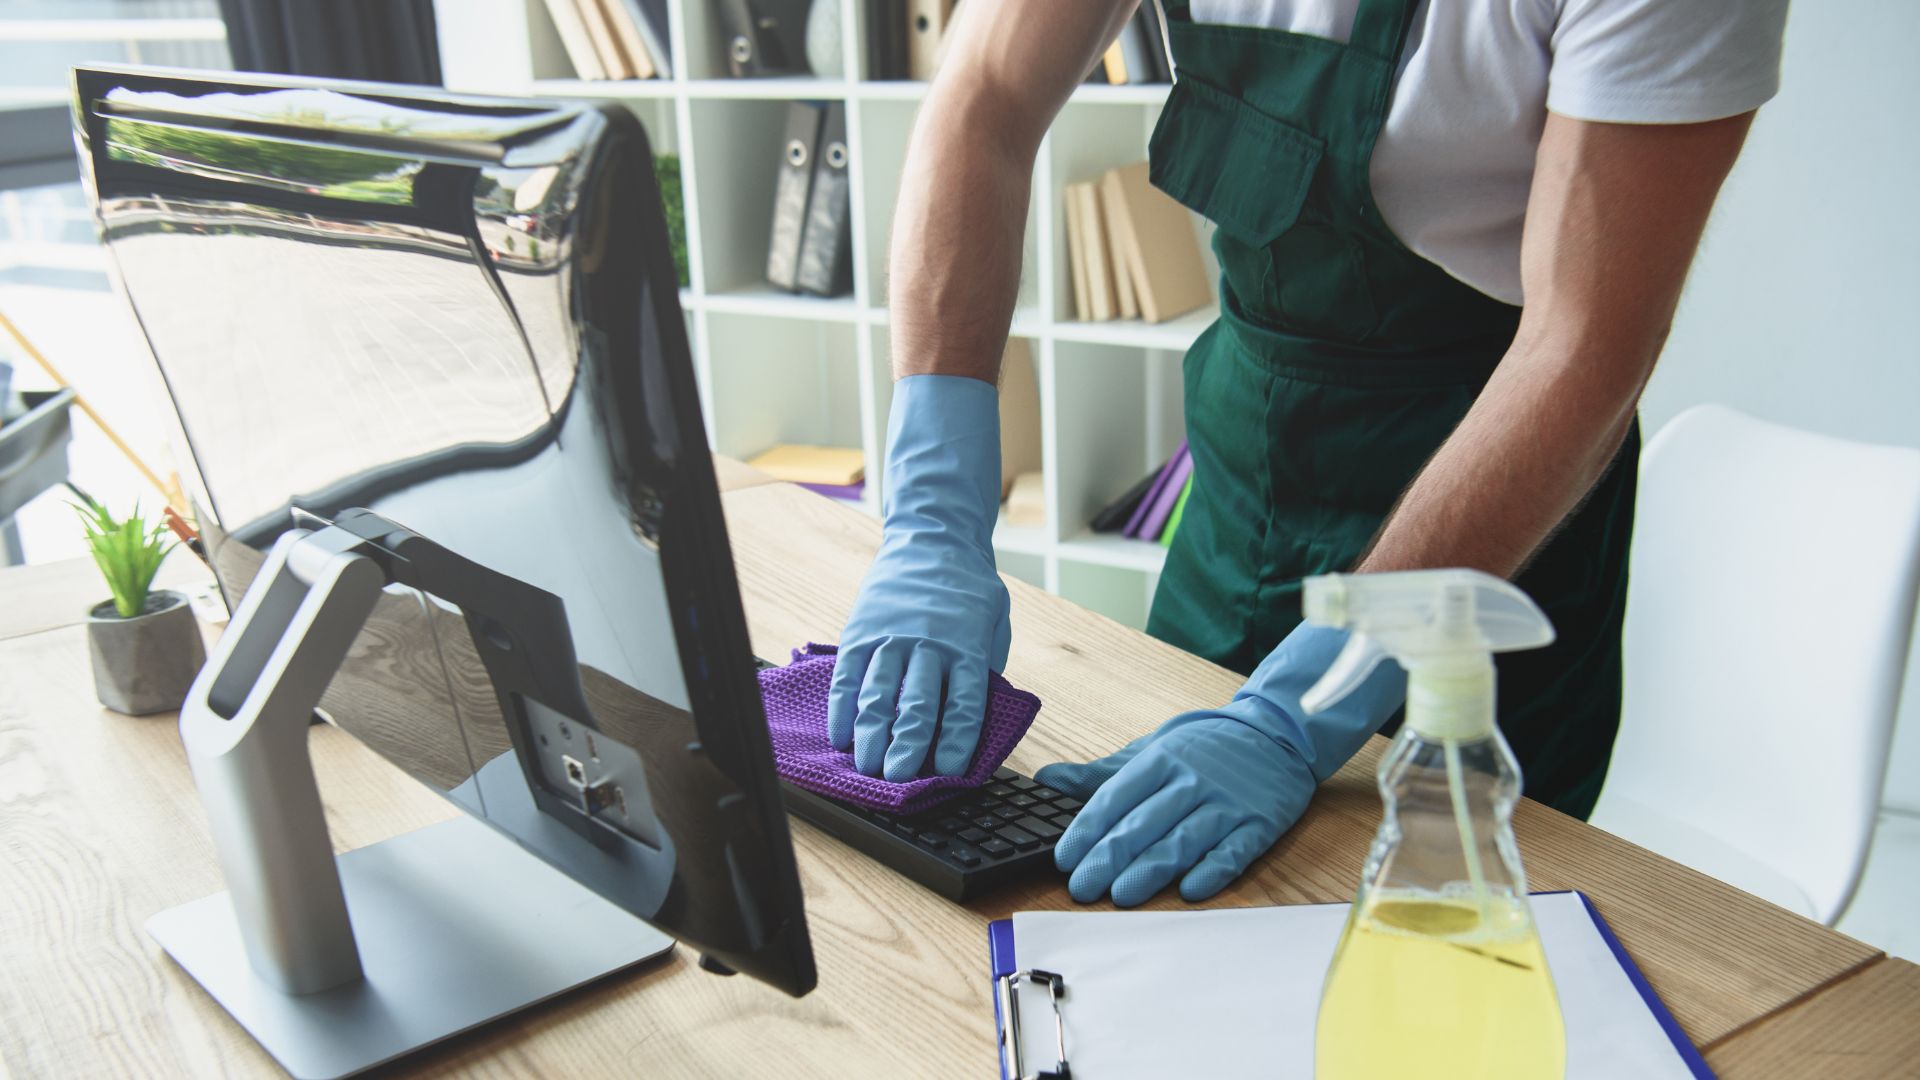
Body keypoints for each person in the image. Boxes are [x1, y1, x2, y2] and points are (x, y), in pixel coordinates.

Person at [827, 0, 1789, 907]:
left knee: (1425, 953)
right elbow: (982, 98)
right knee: (1125, 915)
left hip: (1485, 527)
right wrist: (933, 517)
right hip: (1243, 480)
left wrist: (1307, 706)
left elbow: (1584, 348)